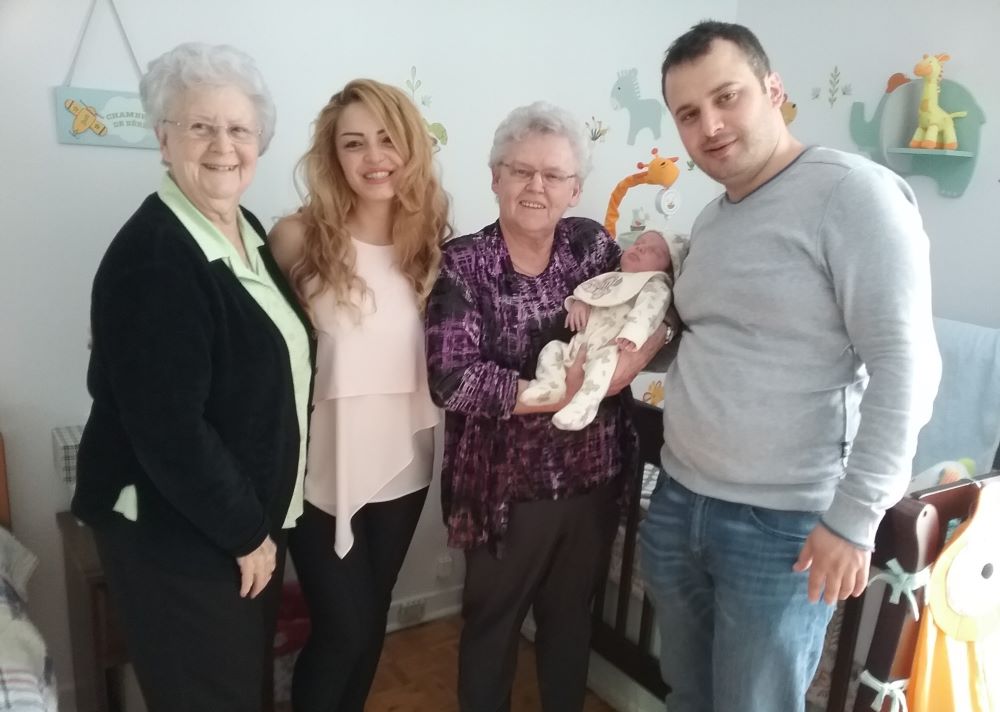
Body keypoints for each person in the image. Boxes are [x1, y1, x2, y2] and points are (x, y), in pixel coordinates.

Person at [638, 21, 941, 712]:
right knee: (690, 694)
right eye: (689, 113)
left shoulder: (853, 195)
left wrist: (854, 519)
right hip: (681, 499)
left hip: (784, 526)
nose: (710, 126)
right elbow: (716, 340)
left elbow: (906, 364)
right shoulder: (714, 220)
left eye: (728, 97)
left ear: (774, 90)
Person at [71, 43, 312, 712]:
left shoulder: (245, 230)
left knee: (240, 689)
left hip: (238, 521)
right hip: (179, 530)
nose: (222, 145)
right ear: (163, 137)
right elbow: (170, 430)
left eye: (238, 128)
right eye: (200, 126)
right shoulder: (156, 259)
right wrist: (244, 532)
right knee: (209, 696)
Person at [425, 101, 672, 712]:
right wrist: (558, 395)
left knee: (570, 622)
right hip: (507, 490)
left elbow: (651, 309)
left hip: (592, 478)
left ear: (575, 188)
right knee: (493, 626)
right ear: (495, 178)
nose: (536, 186)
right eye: (520, 170)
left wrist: (632, 362)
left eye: (553, 175)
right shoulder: (463, 262)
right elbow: (452, 379)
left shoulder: (591, 245)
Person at [268, 78, 450, 712]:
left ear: (410, 148)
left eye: (387, 139)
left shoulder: (431, 242)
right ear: (332, 154)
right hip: (323, 469)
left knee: (369, 619)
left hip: (405, 459)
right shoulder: (296, 238)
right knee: (342, 630)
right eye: (354, 143)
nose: (375, 157)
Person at [521, 229, 686, 430]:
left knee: (601, 366)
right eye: (639, 242)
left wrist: (634, 334)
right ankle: (550, 385)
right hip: (579, 344)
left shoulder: (655, 285)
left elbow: (649, 312)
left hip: (612, 346)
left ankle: (583, 406)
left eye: (654, 251)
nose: (641, 247)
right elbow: (593, 293)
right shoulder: (613, 277)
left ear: (667, 270)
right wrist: (580, 304)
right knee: (553, 349)